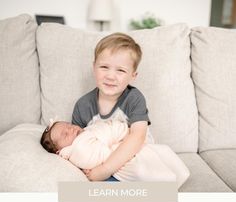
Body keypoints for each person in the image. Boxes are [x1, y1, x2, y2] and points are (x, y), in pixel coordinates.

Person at [71, 32, 150, 181]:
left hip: (132, 158)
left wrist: (105, 169)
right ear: (94, 67)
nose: (110, 76)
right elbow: (76, 145)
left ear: (133, 75)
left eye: (120, 70)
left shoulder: (134, 99)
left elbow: (138, 136)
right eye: (104, 67)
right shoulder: (83, 105)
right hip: (97, 163)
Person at [40, 114, 190, 188]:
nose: (71, 129)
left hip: (122, 148)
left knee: (159, 154)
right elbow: (103, 153)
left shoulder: (84, 134)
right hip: (121, 160)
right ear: (60, 152)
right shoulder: (78, 150)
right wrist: (120, 133)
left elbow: (101, 130)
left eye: (68, 125)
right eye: (66, 134)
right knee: (144, 166)